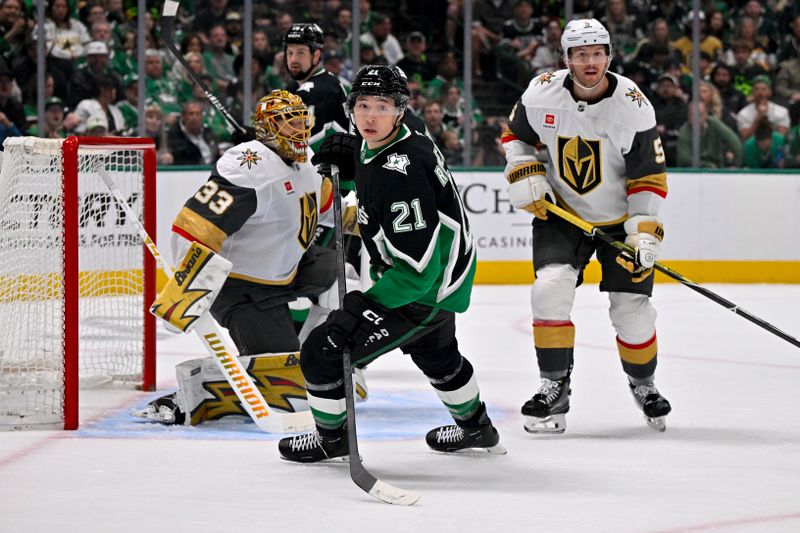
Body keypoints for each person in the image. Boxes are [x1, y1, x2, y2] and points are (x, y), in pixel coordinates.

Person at [278, 65, 504, 462]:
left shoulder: (400, 176)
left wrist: (365, 307)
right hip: (451, 271)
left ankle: (331, 439)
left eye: (381, 106)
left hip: (423, 289)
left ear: (399, 109)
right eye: (361, 105)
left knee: (321, 351)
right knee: (438, 354)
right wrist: (352, 172)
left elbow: (418, 274)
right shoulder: (395, 132)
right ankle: (477, 428)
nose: (369, 117)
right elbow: (372, 168)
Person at [134, 90, 347, 425]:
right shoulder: (247, 168)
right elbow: (193, 229)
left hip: (291, 269)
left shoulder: (304, 162)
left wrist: (369, 218)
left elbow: (328, 209)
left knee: (348, 279)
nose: (300, 131)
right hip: (244, 288)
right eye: (290, 124)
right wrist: (188, 286)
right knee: (288, 393)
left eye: (302, 123)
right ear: (267, 128)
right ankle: (192, 394)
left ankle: (308, 353)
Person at [501, 18, 672, 434]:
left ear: (609, 56)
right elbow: (515, 137)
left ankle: (643, 384)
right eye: (580, 54)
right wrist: (525, 170)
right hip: (564, 216)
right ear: (566, 58)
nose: (590, 62)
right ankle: (554, 385)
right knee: (550, 289)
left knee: (631, 311)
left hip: (620, 223)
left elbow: (648, 177)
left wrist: (644, 231)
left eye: (597, 53)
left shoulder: (633, 105)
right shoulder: (541, 92)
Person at [282, 23, 349, 155]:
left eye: (301, 53)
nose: (293, 59)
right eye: (290, 53)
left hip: (330, 171)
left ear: (316, 56)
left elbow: (303, 145)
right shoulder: (295, 86)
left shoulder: (323, 89)